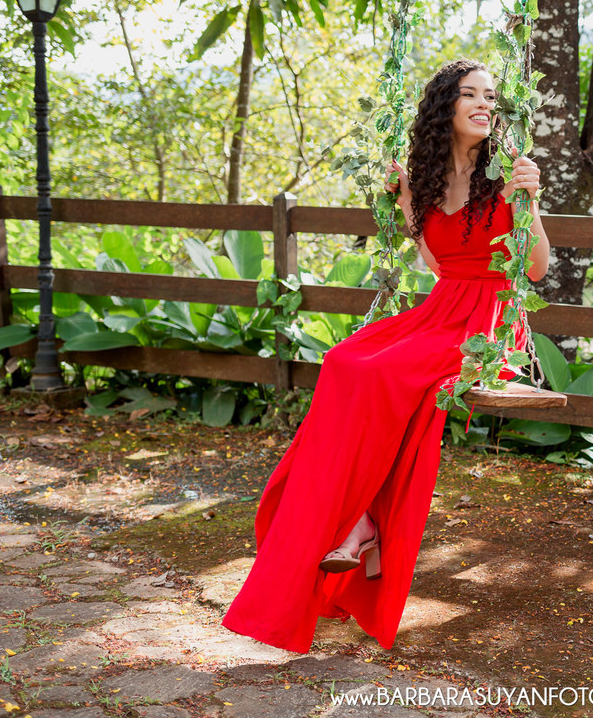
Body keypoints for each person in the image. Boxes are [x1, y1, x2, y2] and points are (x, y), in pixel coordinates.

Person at [222, 59, 550, 651]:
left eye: (490, 96)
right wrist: (404, 205)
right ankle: (358, 519)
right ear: (445, 107)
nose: (484, 104)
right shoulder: (427, 180)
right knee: (344, 361)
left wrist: (532, 199)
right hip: (441, 309)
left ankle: (361, 521)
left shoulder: (509, 171)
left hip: (487, 323)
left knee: (378, 372)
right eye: (470, 94)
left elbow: (535, 270)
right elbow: (439, 265)